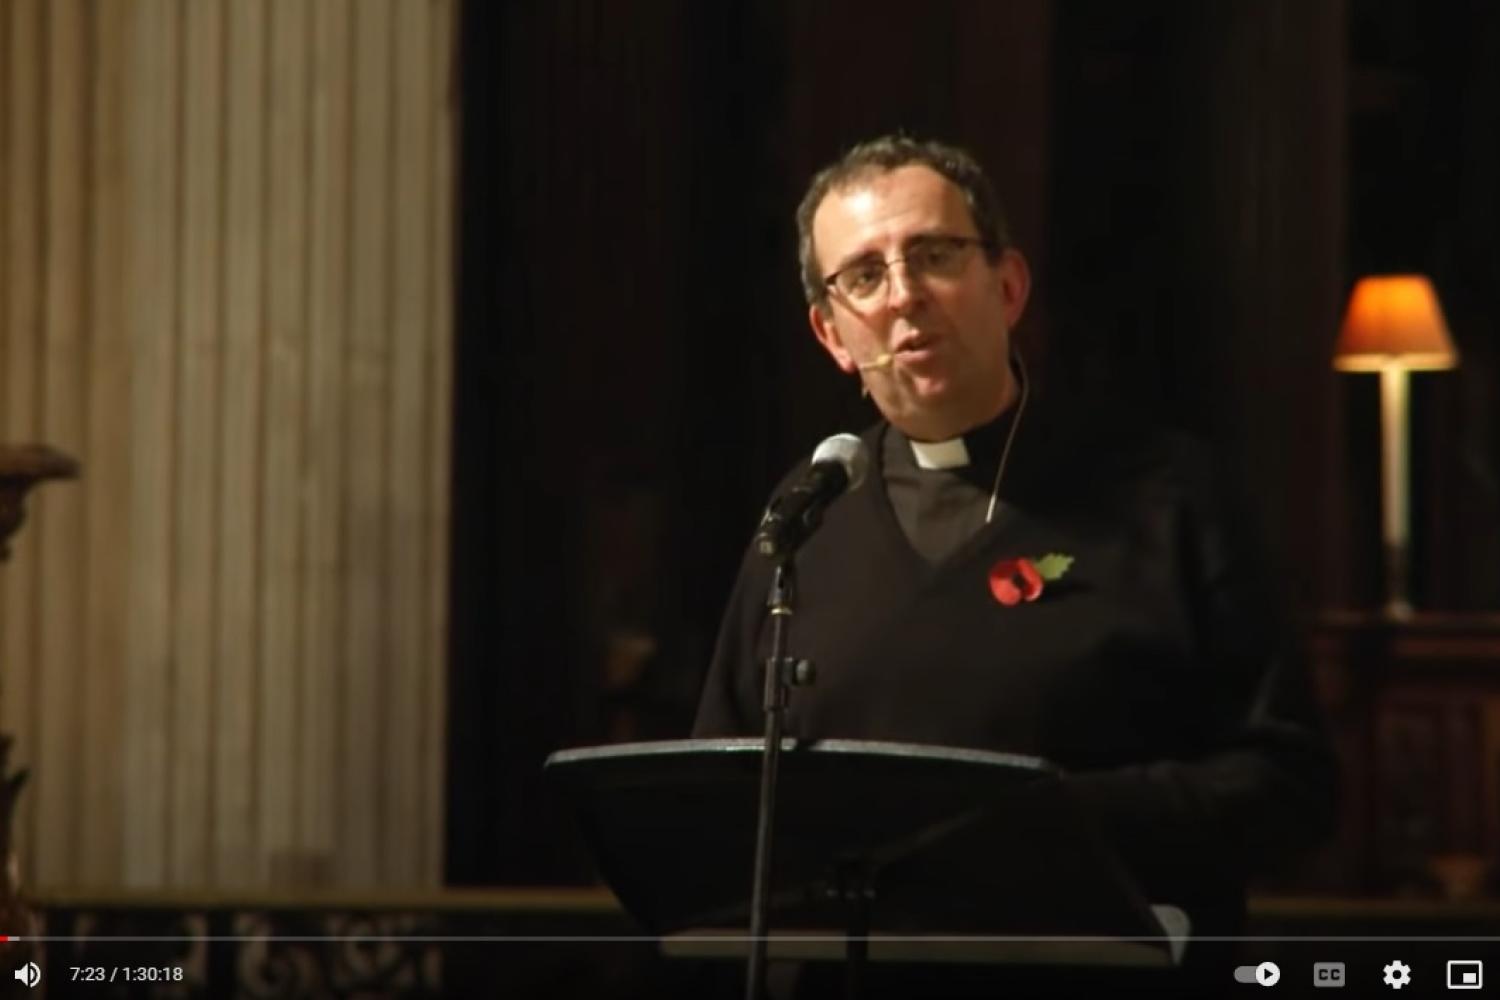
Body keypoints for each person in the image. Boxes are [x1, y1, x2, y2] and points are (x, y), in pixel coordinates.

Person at [692, 135, 1336, 995]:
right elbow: (716, 805)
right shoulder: (806, 520)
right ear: (832, 333)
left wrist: (1047, 821)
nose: (905, 295)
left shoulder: (1169, 494)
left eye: (934, 255)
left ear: (1007, 286)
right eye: (864, 275)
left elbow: (1289, 783)